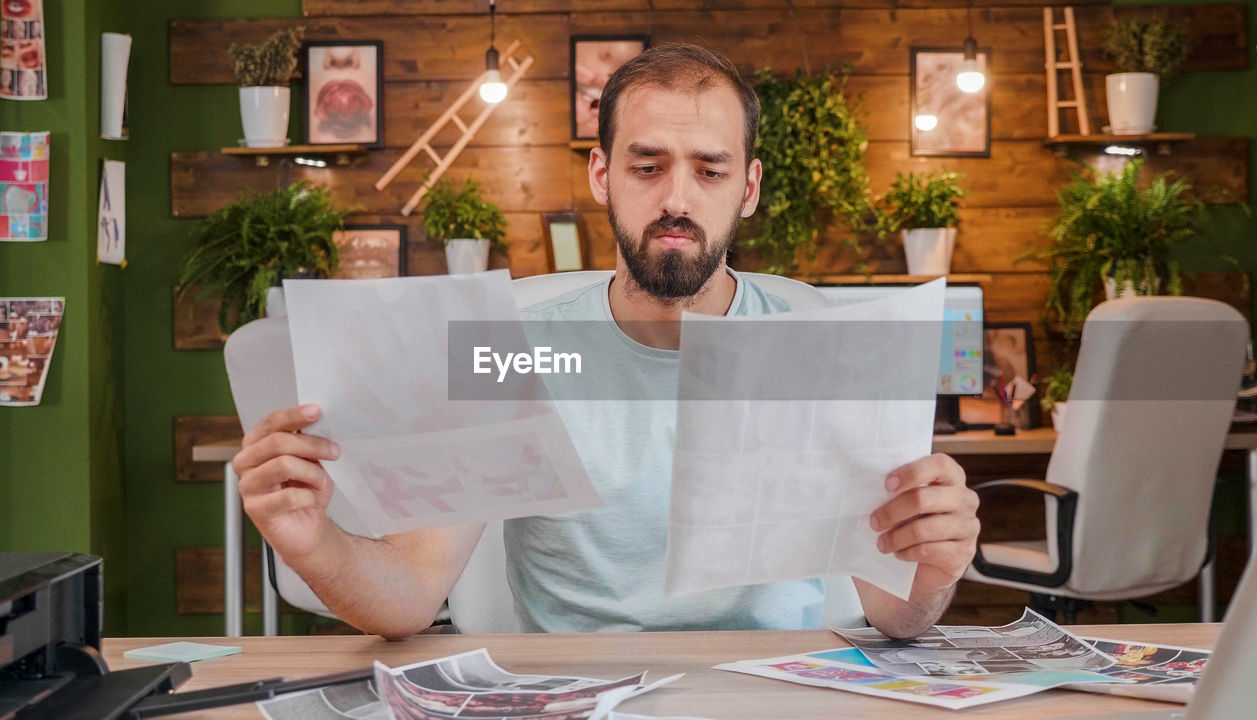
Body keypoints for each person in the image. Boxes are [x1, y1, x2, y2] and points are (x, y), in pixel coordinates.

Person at [233, 43, 980, 640]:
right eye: (647, 166)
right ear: (602, 174)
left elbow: (896, 614)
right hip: (573, 695)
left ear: (748, 188)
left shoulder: (826, 352)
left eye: (709, 170)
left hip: (773, 691)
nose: (676, 200)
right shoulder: (511, 352)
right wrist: (311, 542)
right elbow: (409, 594)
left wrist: (935, 569)